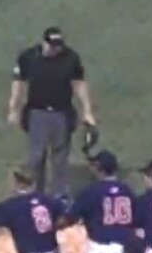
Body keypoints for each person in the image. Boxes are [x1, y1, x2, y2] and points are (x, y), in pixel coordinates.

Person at [7, 27, 97, 198]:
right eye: (53, 45)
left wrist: (87, 111)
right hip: (37, 113)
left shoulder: (71, 58)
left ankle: (59, 198)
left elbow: (79, 84)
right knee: (36, 157)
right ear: (44, 42)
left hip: (62, 113)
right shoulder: (29, 57)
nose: (57, 49)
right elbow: (18, 84)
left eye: (59, 45)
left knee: (60, 159)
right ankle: (36, 196)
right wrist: (13, 109)